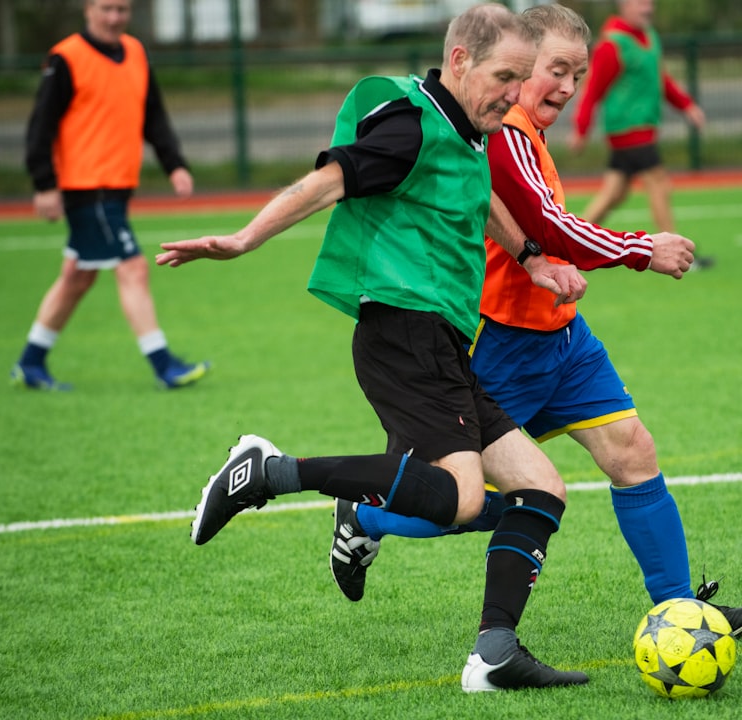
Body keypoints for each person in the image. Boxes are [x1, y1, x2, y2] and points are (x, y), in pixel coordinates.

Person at [156, 3, 590, 693]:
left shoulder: (466, 128)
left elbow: (479, 198)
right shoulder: (413, 122)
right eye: (505, 76)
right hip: (402, 332)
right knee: (460, 499)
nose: (516, 92)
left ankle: (494, 655)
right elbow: (331, 179)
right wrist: (244, 239)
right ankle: (266, 471)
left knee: (541, 489)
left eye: (522, 77)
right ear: (459, 61)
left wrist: (531, 257)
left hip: (442, 341)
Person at [329, 3, 742, 639]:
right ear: (521, 66)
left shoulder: (527, 129)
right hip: (501, 344)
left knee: (633, 452)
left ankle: (678, 611)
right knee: (461, 500)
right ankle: (362, 518)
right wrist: (645, 249)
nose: (566, 85)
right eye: (555, 70)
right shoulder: (503, 132)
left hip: (563, 338)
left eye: (577, 76)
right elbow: (546, 226)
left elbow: (541, 233)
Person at [14, 0, 209, 391]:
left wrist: (174, 163)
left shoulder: (136, 52)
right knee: (133, 267)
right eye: (107, 9)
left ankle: (30, 362)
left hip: (117, 186)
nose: (115, 17)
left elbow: (153, 114)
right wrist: (44, 183)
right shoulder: (66, 58)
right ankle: (163, 364)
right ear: (88, 9)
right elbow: (41, 124)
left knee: (77, 277)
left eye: (122, 9)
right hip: (86, 187)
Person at [566, 0, 710, 267]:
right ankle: (680, 255)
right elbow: (593, 89)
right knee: (659, 183)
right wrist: (581, 128)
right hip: (627, 130)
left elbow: (661, 80)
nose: (648, 8)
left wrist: (687, 106)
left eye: (649, 3)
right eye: (640, 3)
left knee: (613, 195)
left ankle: (566, 247)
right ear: (624, 6)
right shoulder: (612, 44)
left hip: (642, 129)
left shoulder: (649, 37)